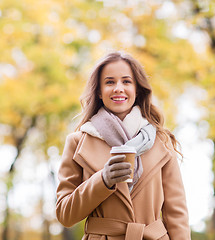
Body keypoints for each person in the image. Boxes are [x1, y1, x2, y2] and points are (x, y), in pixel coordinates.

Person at [56, 51, 190, 240]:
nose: (118, 88)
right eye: (110, 82)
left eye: (126, 81)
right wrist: (102, 180)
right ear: (99, 92)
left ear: (137, 90)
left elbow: (177, 214)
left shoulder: (161, 141)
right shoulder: (78, 142)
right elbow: (65, 214)